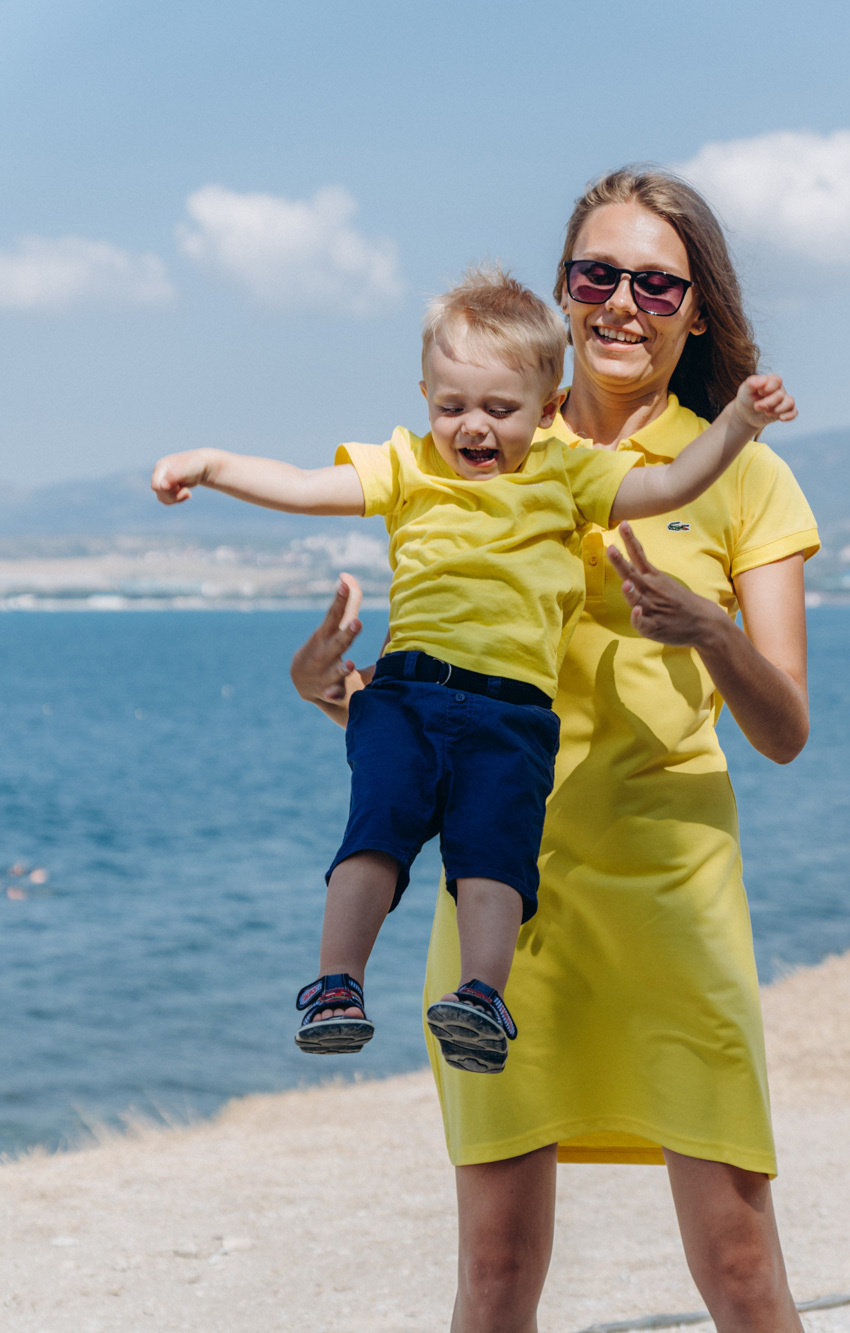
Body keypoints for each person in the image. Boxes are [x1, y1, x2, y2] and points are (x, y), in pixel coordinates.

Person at [291, 167, 820, 1333]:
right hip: (502, 906)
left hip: (673, 906)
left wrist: (710, 630)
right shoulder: (471, 446)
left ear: (696, 307)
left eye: (655, 281)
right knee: (493, 1271)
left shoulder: (741, 473)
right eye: (596, 273)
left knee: (738, 1264)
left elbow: (782, 727)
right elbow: (430, 705)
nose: (622, 301)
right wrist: (333, 694)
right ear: (562, 295)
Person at [151, 265, 797, 1079]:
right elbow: (309, 487)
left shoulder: (570, 476)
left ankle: (481, 996)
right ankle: (336, 985)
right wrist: (213, 464)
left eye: (500, 409)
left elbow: (670, 481)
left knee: (494, 857)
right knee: (374, 833)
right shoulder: (409, 466)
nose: (472, 427)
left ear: (547, 400)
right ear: (423, 394)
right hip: (407, 692)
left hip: (513, 713)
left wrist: (739, 421)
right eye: (451, 405)